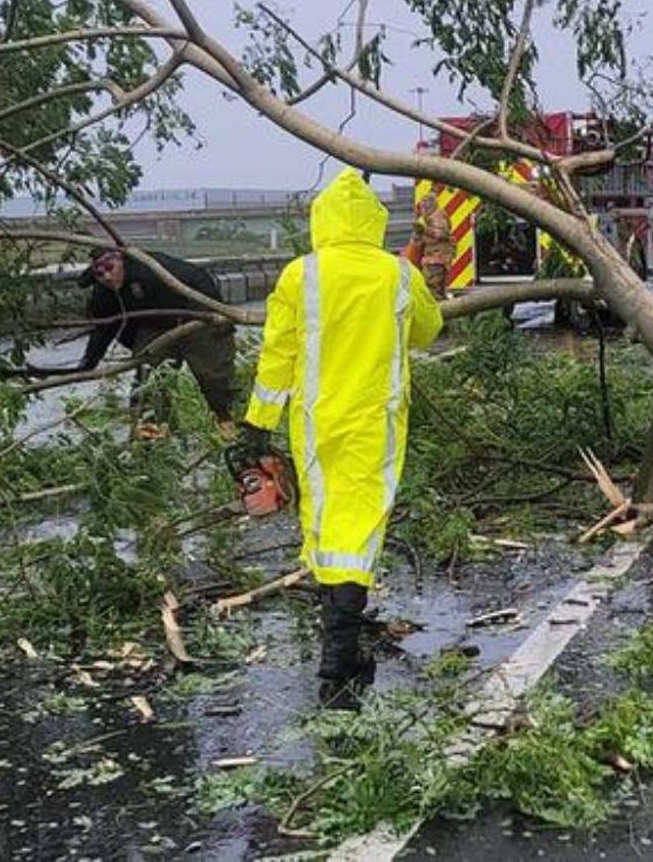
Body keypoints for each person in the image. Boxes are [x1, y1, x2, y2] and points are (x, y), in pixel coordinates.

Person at [238, 167, 443, 710]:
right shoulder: (396, 275)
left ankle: (341, 648)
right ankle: (340, 652)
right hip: (375, 421)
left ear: (321, 220)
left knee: (326, 523)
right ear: (373, 221)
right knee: (360, 526)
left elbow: (277, 355)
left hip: (314, 422)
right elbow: (429, 330)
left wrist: (257, 423)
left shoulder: (299, 275)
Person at [75, 246, 238, 437]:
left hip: (196, 316)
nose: (108, 278)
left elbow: (201, 282)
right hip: (154, 327)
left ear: (121, 262)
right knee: (148, 382)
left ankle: (227, 421)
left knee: (213, 375)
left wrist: (211, 319)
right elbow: (103, 330)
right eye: (101, 274)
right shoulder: (103, 293)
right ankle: (153, 434)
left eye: (111, 269)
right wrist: (88, 363)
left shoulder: (152, 268)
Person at [413, 192, 454, 299]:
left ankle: (438, 309)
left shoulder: (436, 216)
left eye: (425, 204)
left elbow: (442, 234)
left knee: (432, 286)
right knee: (435, 287)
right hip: (432, 256)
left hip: (437, 257)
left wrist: (424, 230)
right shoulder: (428, 217)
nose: (423, 207)